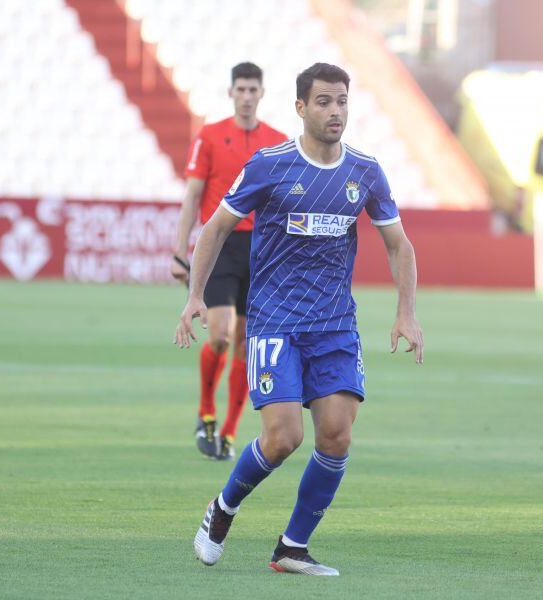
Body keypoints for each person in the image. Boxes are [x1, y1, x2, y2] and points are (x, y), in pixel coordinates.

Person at [174, 63, 424, 575]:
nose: (336, 112)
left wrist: (406, 313)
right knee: (284, 438)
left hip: (334, 326)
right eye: (325, 102)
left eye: (343, 101)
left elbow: (399, 244)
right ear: (301, 108)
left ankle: (292, 547)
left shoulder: (365, 171)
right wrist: (195, 294)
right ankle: (221, 511)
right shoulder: (270, 166)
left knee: (336, 435)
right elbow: (217, 226)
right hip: (275, 322)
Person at [172, 62, 286, 461]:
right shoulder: (209, 136)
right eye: (241, 89)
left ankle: (230, 432)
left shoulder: (277, 142)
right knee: (219, 334)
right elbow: (192, 197)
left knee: (244, 345)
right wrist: (179, 251)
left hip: (261, 251)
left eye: (254, 89)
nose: (247, 96)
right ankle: (205, 412)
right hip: (220, 245)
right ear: (231, 92)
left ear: (262, 93)